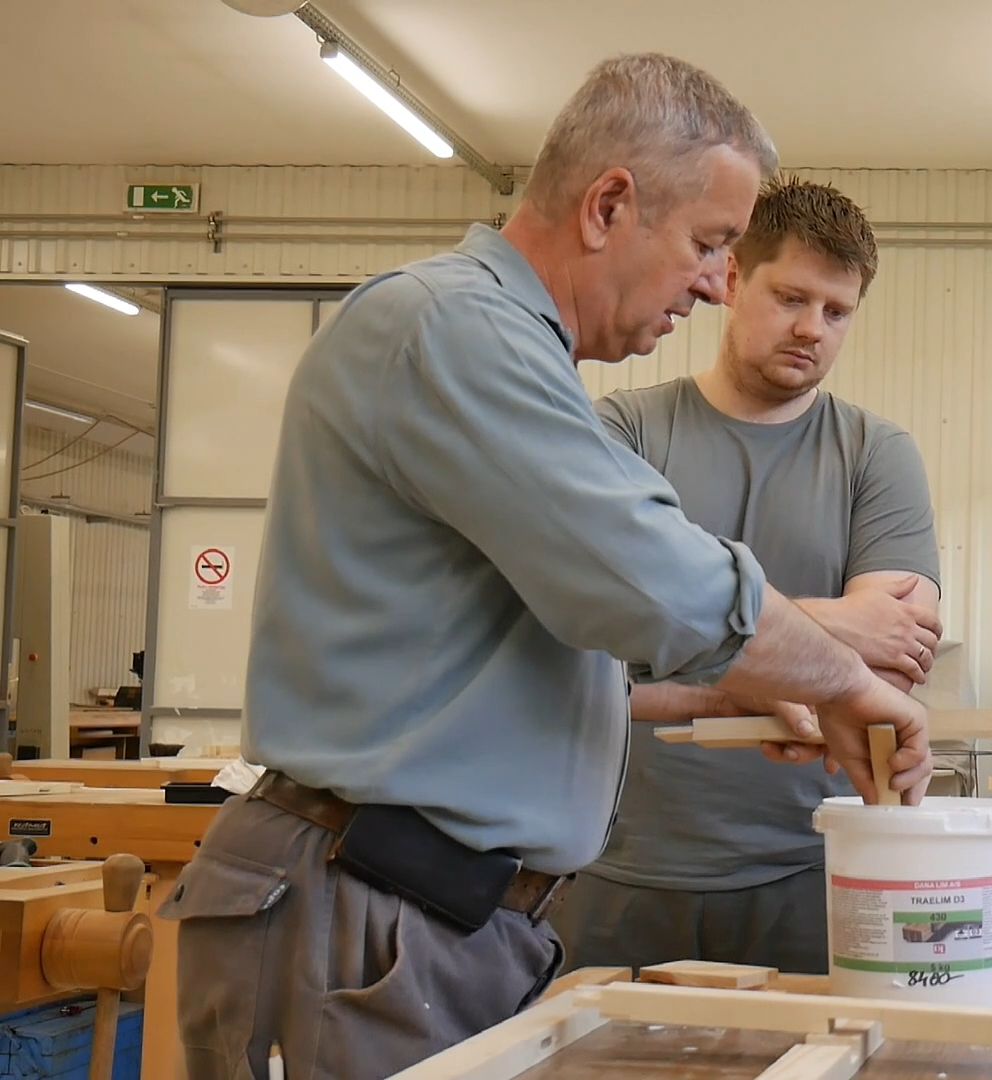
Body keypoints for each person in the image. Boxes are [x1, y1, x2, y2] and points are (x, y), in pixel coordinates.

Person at [158, 55, 933, 1080]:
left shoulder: (530, 366)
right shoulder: (449, 329)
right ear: (610, 203)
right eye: (708, 244)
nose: (713, 281)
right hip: (368, 915)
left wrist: (755, 683)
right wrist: (839, 671)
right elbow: (655, 582)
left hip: (436, 919)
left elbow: (572, 659)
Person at [553, 176, 941, 974]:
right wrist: (828, 627)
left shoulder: (876, 454)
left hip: (805, 872)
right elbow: (574, 638)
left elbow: (890, 651)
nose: (812, 329)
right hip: (609, 865)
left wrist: (670, 624)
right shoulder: (621, 431)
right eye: (791, 297)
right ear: (731, 280)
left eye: (837, 312)